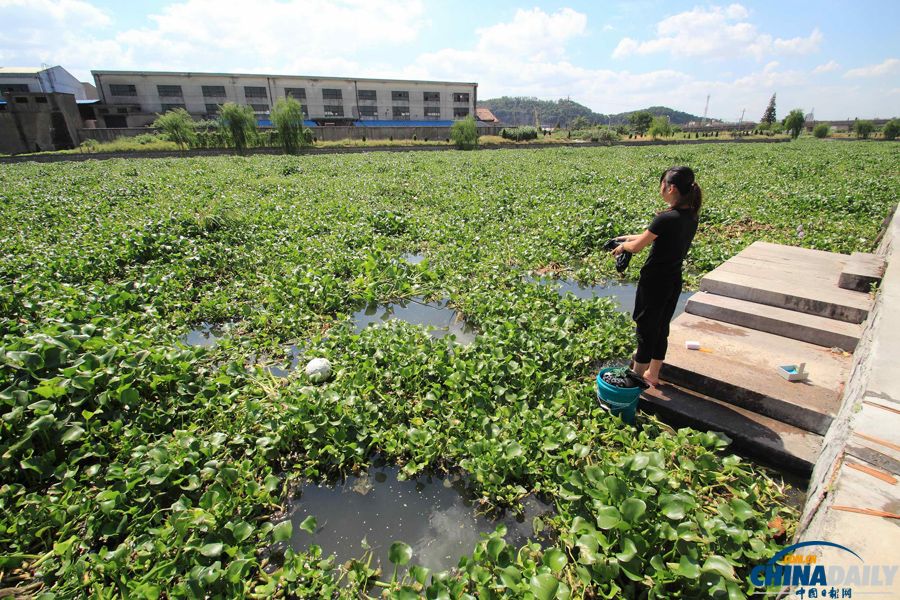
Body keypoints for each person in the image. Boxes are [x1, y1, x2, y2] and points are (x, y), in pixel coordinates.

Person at [611, 166, 702, 387]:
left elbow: (637, 246)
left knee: (645, 328)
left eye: (662, 185)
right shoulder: (690, 215)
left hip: (654, 282)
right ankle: (653, 374)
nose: (660, 189)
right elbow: (650, 236)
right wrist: (624, 238)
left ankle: (635, 379)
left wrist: (622, 247)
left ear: (671, 188)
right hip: (673, 280)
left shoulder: (666, 218)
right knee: (661, 328)